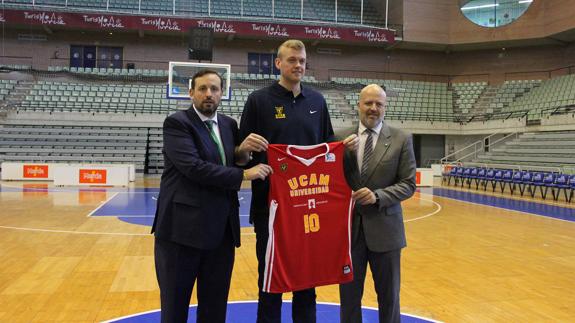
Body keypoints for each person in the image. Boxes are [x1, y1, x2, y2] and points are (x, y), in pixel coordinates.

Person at [239, 39, 358, 323]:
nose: (298, 66)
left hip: (308, 209)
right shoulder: (258, 100)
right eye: (292, 60)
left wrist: (343, 147)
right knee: (269, 284)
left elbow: (327, 146)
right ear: (278, 63)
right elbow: (241, 154)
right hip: (271, 209)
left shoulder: (317, 100)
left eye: (302, 61)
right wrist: (244, 151)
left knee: (307, 283)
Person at [152, 69, 272, 323]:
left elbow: (226, 162)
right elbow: (194, 168)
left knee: (215, 308)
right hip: (180, 233)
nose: (209, 94)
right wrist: (245, 175)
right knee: (175, 309)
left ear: (222, 94)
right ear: (191, 92)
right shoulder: (177, 123)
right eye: (203, 88)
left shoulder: (229, 125)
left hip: (220, 232)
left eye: (215, 89)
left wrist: (242, 154)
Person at [337, 84, 416, 323]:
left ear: (385, 107)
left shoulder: (401, 139)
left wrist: (378, 196)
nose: (373, 108)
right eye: (368, 103)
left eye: (378, 104)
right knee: (349, 298)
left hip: (386, 232)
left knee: (389, 298)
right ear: (359, 105)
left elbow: (408, 183)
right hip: (349, 234)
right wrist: (340, 152)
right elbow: (329, 180)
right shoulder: (340, 138)